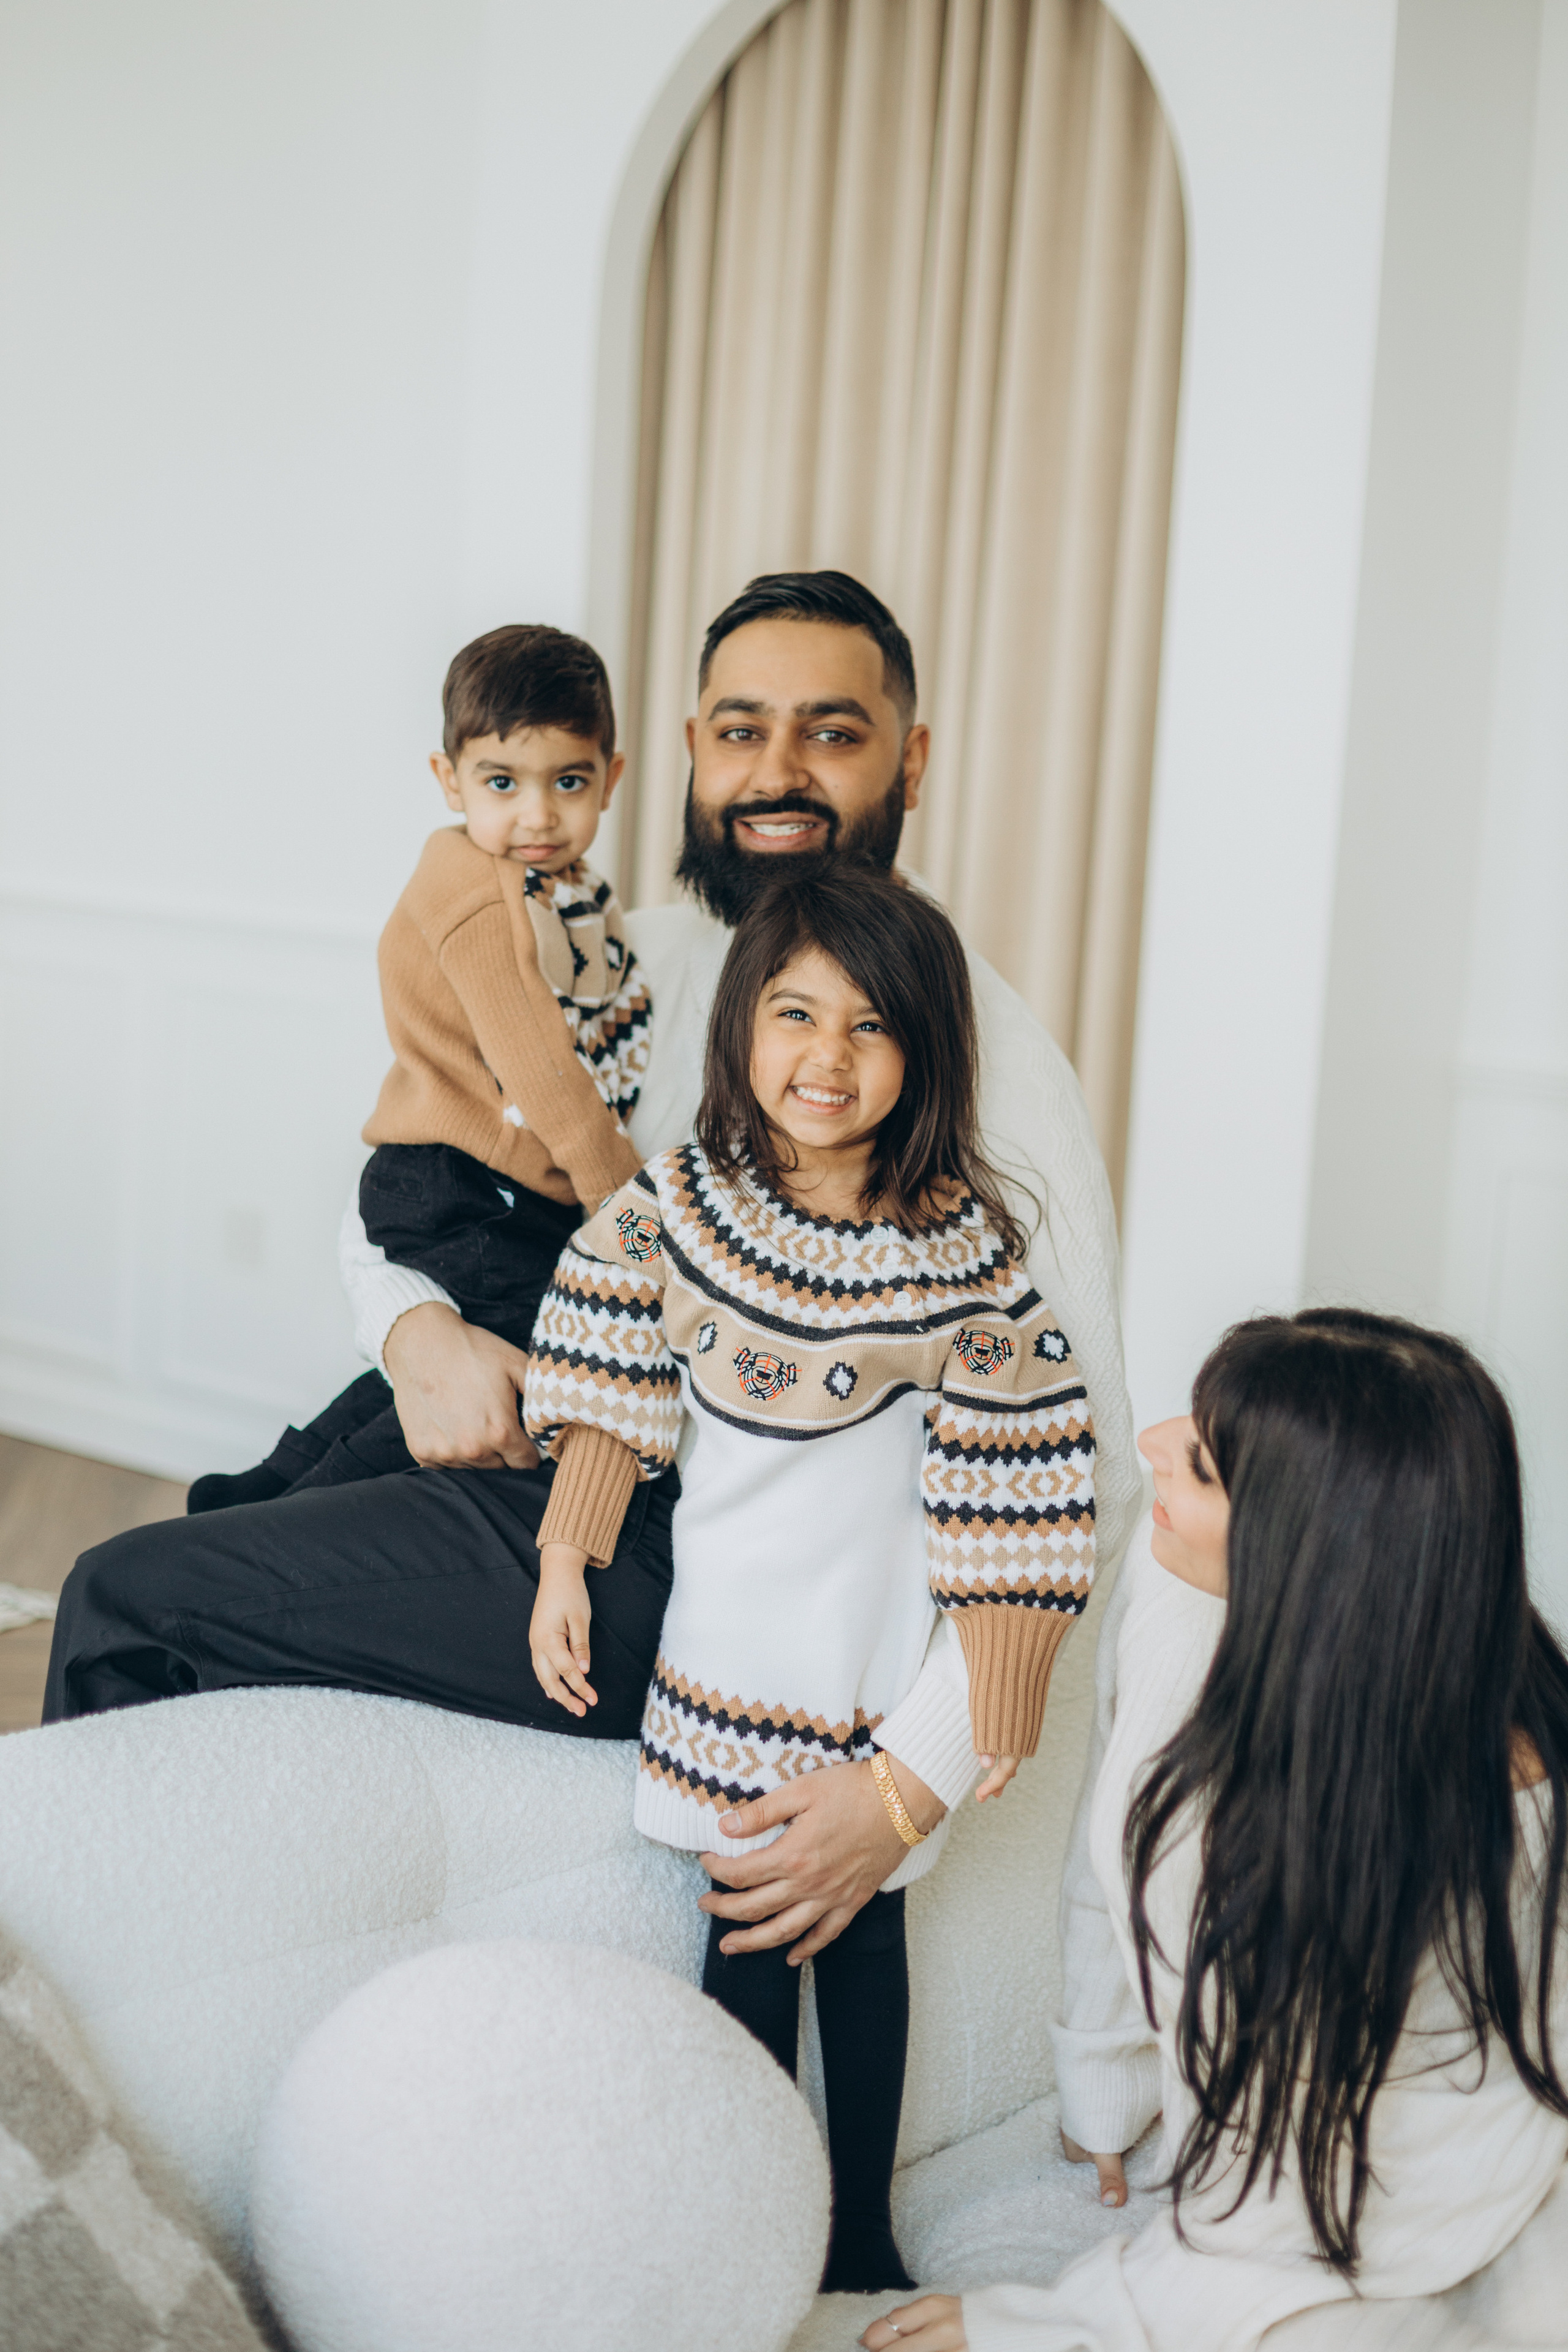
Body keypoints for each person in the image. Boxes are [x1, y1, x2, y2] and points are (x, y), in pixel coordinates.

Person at [47, 571, 1138, 1980]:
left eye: (833, 733)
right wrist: (416, 1335)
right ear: (682, 753)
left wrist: (899, 1787)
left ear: (910, 760)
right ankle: (188, 1983)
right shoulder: (639, 958)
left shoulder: (972, 1050)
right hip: (563, 1448)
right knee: (222, 1526)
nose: (777, 775)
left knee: (130, 1598)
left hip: (703, 1568)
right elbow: (420, 1155)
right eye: (740, 732)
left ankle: (56, 2059)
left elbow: (1079, 1473)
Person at [521, 866, 1096, 2291]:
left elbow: (1022, 1476)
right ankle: (733, 2207)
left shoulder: (965, 1256)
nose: (825, 1060)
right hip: (730, 1643)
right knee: (741, 1932)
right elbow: (611, 1387)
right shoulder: (681, 1212)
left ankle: (854, 2230)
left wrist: (1000, 1679)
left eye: (868, 1028)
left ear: (923, 1055)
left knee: (862, 1933)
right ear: (741, 1026)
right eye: (793, 1014)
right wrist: (564, 1560)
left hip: (868, 1668)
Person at [862, 1311, 1568, 2351]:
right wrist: (1099, 2080)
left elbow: (1274, 2199)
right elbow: (1109, 1849)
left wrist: (1047, 2323)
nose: (1151, 1442)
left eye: (1198, 1464)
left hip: (1435, 2193)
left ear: (1303, 1548)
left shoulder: (1318, 1831)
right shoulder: (1183, 1589)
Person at [186, 624, 650, 1510]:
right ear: (450, 782)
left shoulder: (568, 895)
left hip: (462, 1178)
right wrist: (623, 1206)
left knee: (460, 1351)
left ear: (611, 778)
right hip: (454, 1178)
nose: (539, 814)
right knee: (533, 1339)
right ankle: (273, 1533)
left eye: (570, 782)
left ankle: (258, 1491)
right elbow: (542, 1068)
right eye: (503, 783)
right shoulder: (479, 889)